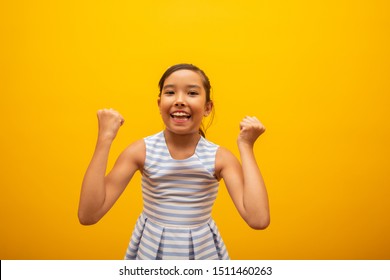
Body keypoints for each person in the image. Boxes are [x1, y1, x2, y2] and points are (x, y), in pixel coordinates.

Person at [78, 63, 270, 260]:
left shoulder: (220, 158)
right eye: (170, 92)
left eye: (192, 93)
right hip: (150, 251)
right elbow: (88, 214)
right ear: (159, 104)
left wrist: (246, 146)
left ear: (207, 108)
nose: (179, 100)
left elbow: (258, 219)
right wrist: (105, 138)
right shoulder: (140, 151)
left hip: (203, 252)